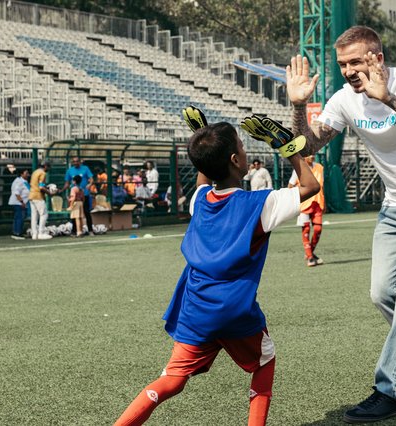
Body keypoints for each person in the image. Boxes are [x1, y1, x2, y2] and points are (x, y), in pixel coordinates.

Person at [286, 26, 396, 422]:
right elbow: (308, 145)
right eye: (342, 64)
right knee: (382, 293)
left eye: (356, 61)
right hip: (395, 205)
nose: (349, 71)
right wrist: (299, 106)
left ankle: (391, 390)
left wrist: (388, 97)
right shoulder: (343, 100)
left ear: (378, 58)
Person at [113, 119, 320, 426]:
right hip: (234, 310)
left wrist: (202, 137)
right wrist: (287, 147)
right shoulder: (260, 203)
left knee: (171, 380)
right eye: (240, 146)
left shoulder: (200, 201)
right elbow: (310, 186)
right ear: (236, 161)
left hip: (195, 309)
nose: (244, 149)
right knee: (264, 361)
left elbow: (203, 183)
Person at [288, 155, 326, 266]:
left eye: (314, 154)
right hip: (304, 204)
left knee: (318, 229)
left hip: (318, 203)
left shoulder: (319, 167)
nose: (312, 156)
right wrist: (292, 201)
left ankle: (310, 253)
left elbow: (322, 186)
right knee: (306, 229)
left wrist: (325, 202)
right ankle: (310, 257)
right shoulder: (299, 168)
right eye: (310, 154)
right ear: (304, 156)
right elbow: (290, 185)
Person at [60, 157, 94, 236]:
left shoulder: (85, 168)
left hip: (84, 196)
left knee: (86, 213)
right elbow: (67, 183)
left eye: (77, 161)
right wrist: (62, 190)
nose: (75, 163)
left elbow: (91, 179)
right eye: (74, 161)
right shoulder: (70, 171)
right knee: (75, 215)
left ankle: (90, 230)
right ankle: (75, 231)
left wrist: (89, 184)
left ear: (80, 161)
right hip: (76, 198)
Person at [29, 161, 53, 240]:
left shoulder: (35, 172)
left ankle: (34, 234)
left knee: (34, 216)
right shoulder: (43, 173)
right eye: (48, 167)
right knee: (44, 214)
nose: (49, 169)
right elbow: (41, 187)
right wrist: (49, 193)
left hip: (31, 195)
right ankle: (41, 233)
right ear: (45, 166)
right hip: (38, 196)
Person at [8, 168, 30, 240]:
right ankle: (17, 233)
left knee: (19, 217)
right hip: (18, 203)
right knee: (19, 217)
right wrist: (22, 202)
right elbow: (17, 193)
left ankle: (17, 231)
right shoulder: (19, 182)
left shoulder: (24, 181)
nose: (28, 175)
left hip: (21, 202)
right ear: (21, 174)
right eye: (26, 173)